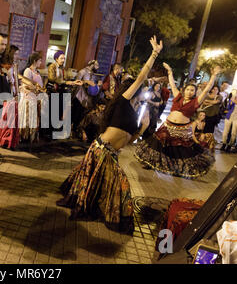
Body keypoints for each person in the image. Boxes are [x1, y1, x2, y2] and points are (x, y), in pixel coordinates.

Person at [56, 36, 162, 234]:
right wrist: (154, 53)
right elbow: (141, 77)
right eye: (143, 89)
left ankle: (98, 210)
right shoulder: (123, 101)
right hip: (100, 150)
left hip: (112, 155)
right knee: (110, 186)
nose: (144, 91)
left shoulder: (136, 112)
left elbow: (129, 141)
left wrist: (142, 127)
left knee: (112, 186)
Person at [134, 63, 221, 179]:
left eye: (192, 90)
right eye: (188, 89)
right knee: (157, 142)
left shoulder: (195, 101)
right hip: (168, 125)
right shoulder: (178, 97)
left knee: (180, 150)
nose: (190, 92)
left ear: (195, 93)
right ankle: (150, 163)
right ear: (184, 90)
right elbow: (172, 85)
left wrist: (213, 76)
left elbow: (206, 90)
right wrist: (170, 72)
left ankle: (179, 168)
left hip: (183, 129)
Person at [0, 44, 20, 149]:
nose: (18, 56)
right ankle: (5, 140)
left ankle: (7, 140)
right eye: (16, 54)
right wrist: (14, 93)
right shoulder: (6, 67)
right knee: (8, 119)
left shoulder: (12, 66)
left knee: (10, 119)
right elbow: (10, 81)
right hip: (8, 94)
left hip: (12, 92)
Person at [19, 52, 46, 144]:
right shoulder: (28, 71)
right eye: (39, 60)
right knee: (27, 117)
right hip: (29, 97)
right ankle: (24, 136)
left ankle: (31, 137)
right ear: (34, 61)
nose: (40, 62)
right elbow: (25, 84)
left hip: (36, 97)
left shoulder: (37, 72)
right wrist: (36, 89)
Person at [71, 60, 101, 137]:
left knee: (82, 115)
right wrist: (85, 82)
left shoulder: (94, 74)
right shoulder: (82, 72)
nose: (98, 67)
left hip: (88, 98)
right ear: (92, 64)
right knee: (75, 114)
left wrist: (98, 84)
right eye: (96, 65)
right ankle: (71, 130)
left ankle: (78, 131)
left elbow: (94, 85)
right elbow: (75, 83)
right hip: (79, 96)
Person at [221, 86, 237, 152]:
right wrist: (231, 102)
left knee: (234, 133)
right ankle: (224, 144)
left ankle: (229, 145)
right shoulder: (232, 99)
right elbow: (228, 107)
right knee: (225, 132)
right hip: (229, 117)